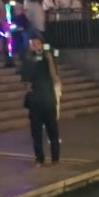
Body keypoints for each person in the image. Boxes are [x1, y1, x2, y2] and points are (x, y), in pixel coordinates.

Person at [21, 35, 61, 166]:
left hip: (48, 100)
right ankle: (39, 158)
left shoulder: (47, 58)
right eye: (33, 44)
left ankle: (55, 158)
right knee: (36, 133)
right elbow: (25, 80)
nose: (36, 46)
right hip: (35, 102)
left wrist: (49, 59)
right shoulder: (27, 60)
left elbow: (54, 77)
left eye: (38, 44)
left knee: (52, 131)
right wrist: (28, 87)